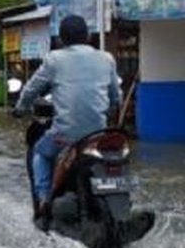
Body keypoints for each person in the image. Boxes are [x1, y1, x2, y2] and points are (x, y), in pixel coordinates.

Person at [11, 14, 120, 222]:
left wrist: (20, 108)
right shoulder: (107, 58)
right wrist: (111, 109)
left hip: (66, 135)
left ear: (60, 39)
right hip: (99, 136)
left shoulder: (54, 59)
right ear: (88, 36)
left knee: (39, 153)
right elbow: (115, 96)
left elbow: (31, 89)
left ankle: (43, 200)